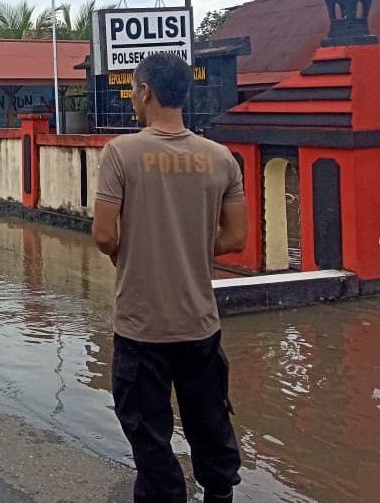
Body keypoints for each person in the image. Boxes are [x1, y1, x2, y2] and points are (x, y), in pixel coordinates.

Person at [91, 53, 248, 503]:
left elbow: (104, 234)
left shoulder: (121, 152)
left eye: (134, 89)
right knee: (211, 423)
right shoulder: (220, 158)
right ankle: (219, 493)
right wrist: (190, 243)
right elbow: (235, 236)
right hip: (200, 323)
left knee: (149, 434)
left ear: (145, 91)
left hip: (142, 326)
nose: (132, 97)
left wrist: (134, 248)